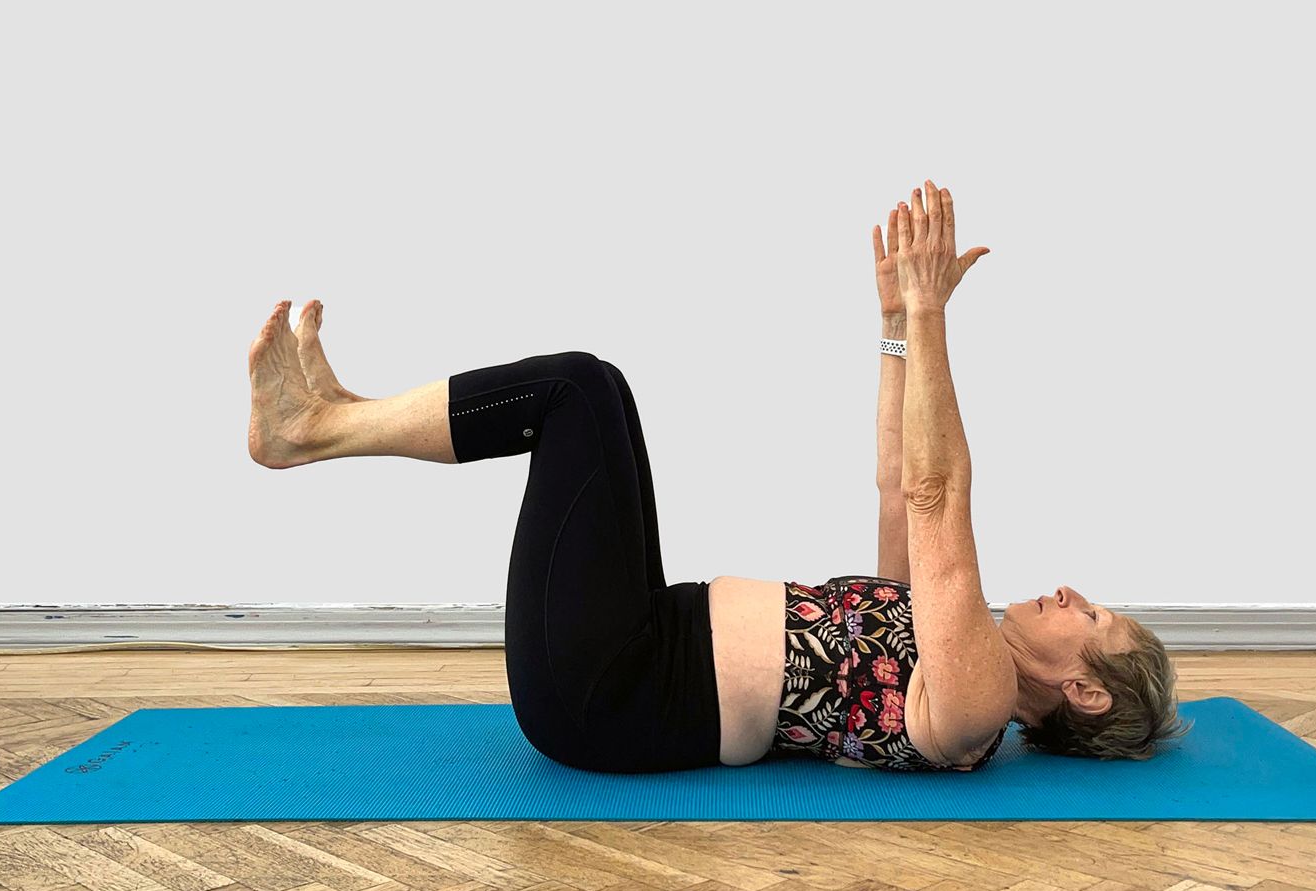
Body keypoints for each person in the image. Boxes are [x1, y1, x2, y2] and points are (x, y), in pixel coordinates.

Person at [246, 179, 1190, 774]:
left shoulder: (977, 701)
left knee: (574, 392)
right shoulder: (951, 642)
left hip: (611, 697)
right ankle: (335, 415)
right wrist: (898, 322)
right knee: (599, 389)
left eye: (1093, 617)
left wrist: (936, 313)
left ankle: (312, 430)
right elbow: (903, 486)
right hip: (637, 642)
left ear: (1087, 691)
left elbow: (943, 498)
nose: (1071, 594)